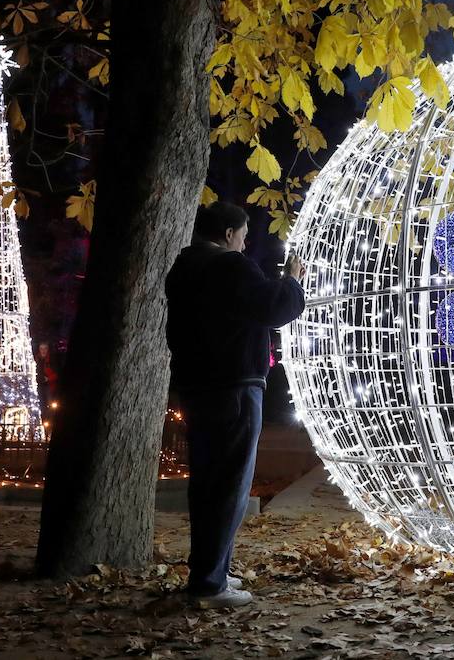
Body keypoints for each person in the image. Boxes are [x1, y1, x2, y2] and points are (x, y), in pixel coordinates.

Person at [165, 201, 306, 609]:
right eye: (244, 235)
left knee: (208, 483)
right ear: (229, 233)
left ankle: (210, 570)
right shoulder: (230, 266)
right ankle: (210, 584)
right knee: (229, 486)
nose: (246, 244)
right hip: (235, 388)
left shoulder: (184, 268)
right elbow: (276, 309)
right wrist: (292, 280)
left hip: (198, 388)